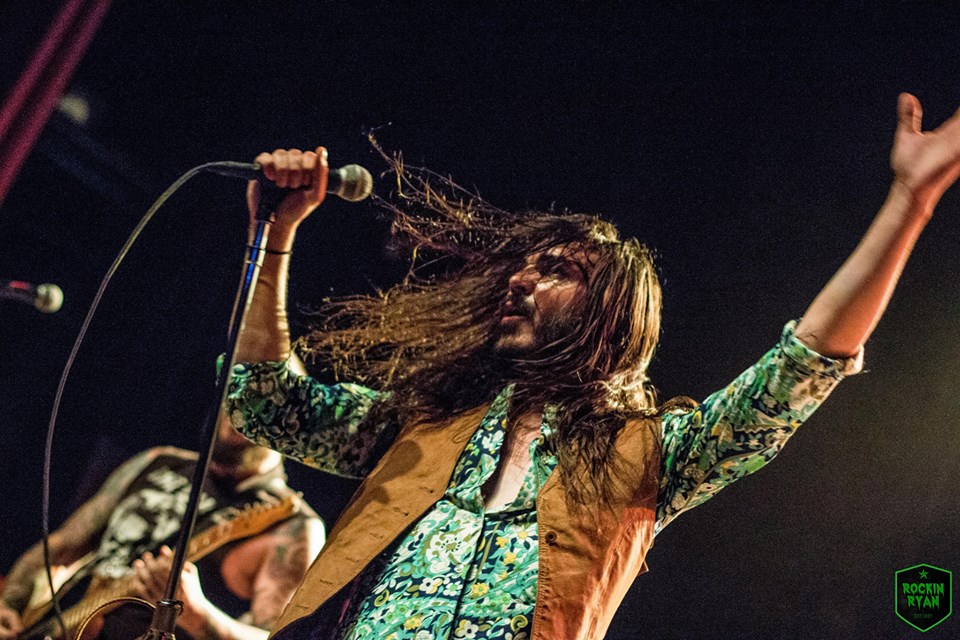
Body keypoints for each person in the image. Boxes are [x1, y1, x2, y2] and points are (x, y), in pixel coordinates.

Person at [223, 93, 960, 640]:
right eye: (525, 267)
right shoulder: (422, 426)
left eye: (557, 271)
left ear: (614, 313)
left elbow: (800, 366)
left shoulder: (651, 455)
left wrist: (909, 201)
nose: (521, 280)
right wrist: (272, 233)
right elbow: (263, 401)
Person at [0, 417, 325, 640]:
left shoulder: (293, 526)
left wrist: (199, 615)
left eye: (259, 402)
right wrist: (10, 605)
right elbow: (61, 546)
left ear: (291, 422)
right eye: (235, 395)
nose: (235, 415)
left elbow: (275, 636)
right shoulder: (160, 461)